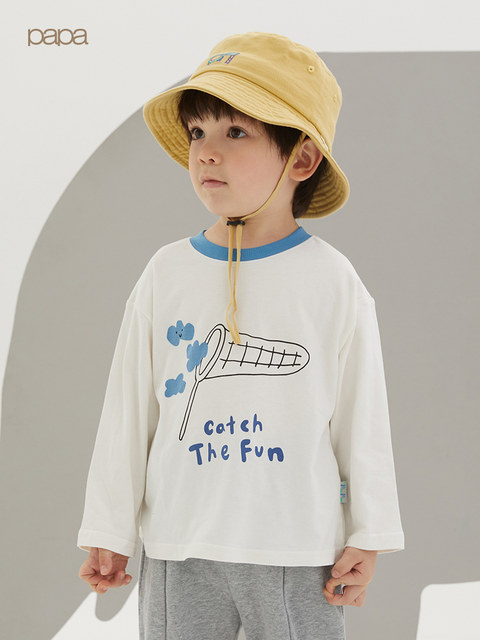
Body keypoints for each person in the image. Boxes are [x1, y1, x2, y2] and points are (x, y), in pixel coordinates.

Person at [78, 31, 405, 639]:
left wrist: (370, 532)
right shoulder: (166, 273)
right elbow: (128, 412)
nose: (205, 152)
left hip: (296, 548)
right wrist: (109, 527)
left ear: (301, 159)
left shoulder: (332, 280)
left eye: (235, 132)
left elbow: (362, 418)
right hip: (179, 544)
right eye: (197, 132)